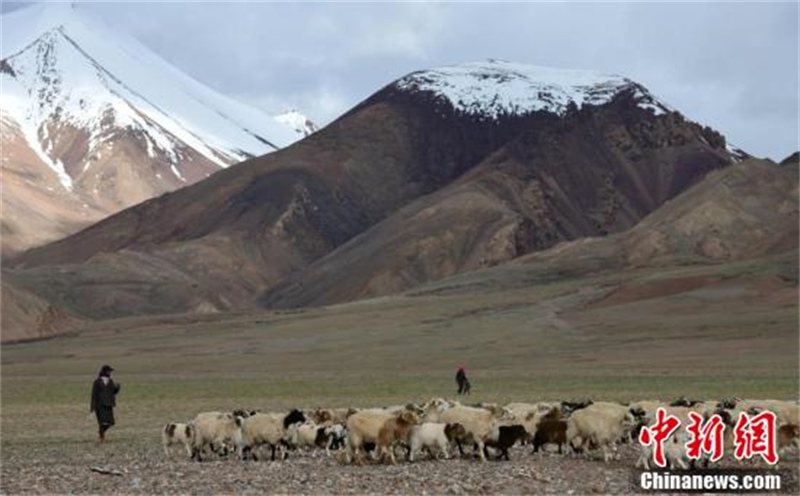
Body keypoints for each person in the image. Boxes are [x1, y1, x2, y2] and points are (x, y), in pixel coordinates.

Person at [90, 364, 121, 442]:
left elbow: (113, 392)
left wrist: (117, 388)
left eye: (110, 371)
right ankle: (102, 437)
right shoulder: (97, 382)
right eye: (108, 371)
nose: (110, 372)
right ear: (104, 371)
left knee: (110, 422)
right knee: (102, 422)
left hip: (109, 404)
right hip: (100, 405)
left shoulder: (110, 381)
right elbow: (94, 395)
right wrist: (92, 407)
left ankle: (101, 432)